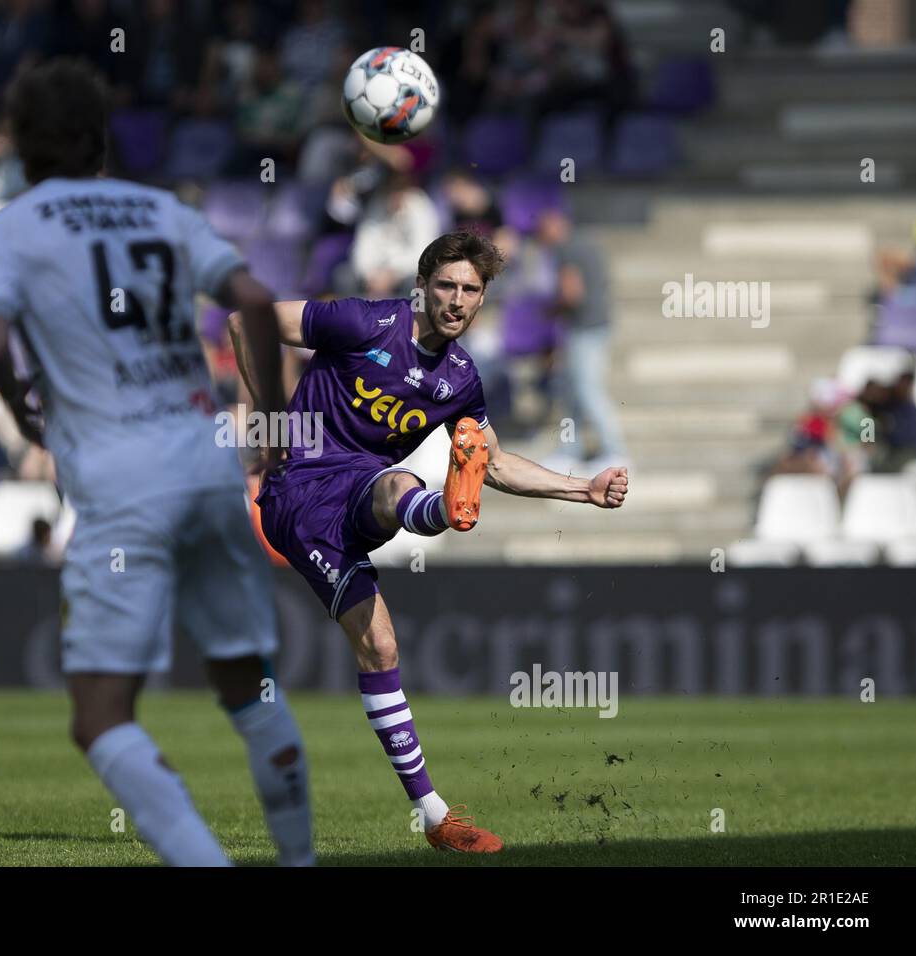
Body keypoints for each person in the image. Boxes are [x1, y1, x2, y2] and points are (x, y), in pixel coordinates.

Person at [0, 58, 312, 867]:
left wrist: (23, 411)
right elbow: (256, 303)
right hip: (206, 464)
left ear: (20, 143)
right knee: (249, 688)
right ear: (99, 136)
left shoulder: (7, 230)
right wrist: (270, 425)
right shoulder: (163, 209)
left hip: (122, 483)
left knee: (101, 716)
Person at [228, 230, 629, 854]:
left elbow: (495, 465)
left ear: (483, 298)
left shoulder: (463, 378)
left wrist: (584, 489)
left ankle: (435, 817)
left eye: (471, 289)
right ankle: (441, 504)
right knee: (399, 484)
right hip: (300, 492)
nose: (458, 299)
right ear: (423, 287)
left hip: (359, 494)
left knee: (382, 646)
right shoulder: (364, 321)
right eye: (446, 285)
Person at [535, 206, 628, 470]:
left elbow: (572, 293)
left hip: (584, 329)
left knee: (588, 391)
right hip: (596, 326)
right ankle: (570, 450)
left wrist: (548, 310)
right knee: (573, 393)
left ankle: (615, 451)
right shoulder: (588, 245)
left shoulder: (567, 250)